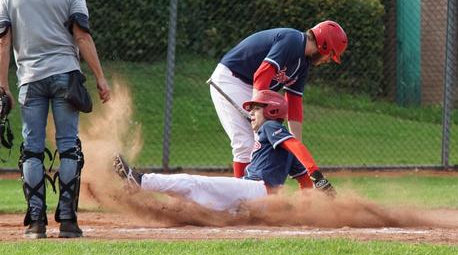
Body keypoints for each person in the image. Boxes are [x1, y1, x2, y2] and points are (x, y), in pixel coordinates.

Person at [0, 0, 111, 238]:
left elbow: (3, 41)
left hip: (30, 80)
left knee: (32, 150)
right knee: (68, 147)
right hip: (65, 75)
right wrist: (100, 78)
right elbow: (83, 38)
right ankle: (68, 222)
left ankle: (36, 223)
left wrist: (2, 85)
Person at [113, 90, 334, 212]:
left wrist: (317, 176)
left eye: (257, 108)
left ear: (272, 110)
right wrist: (307, 208)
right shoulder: (276, 141)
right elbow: (303, 180)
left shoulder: (271, 126)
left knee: (194, 184)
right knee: (199, 203)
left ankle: (140, 181)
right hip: (260, 199)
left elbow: (296, 145)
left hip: (254, 190)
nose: (252, 114)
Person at [209, 21, 347, 180]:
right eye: (331, 54)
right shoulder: (293, 40)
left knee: (261, 143)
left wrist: (297, 147)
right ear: (324, 45)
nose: (328, 60)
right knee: (246, 144)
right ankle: (241, 197)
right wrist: (258, 109)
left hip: (250, 87)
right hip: (232, 80)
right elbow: (262, 74)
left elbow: (294, 104)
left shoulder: (303, 64)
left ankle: (255, 194)